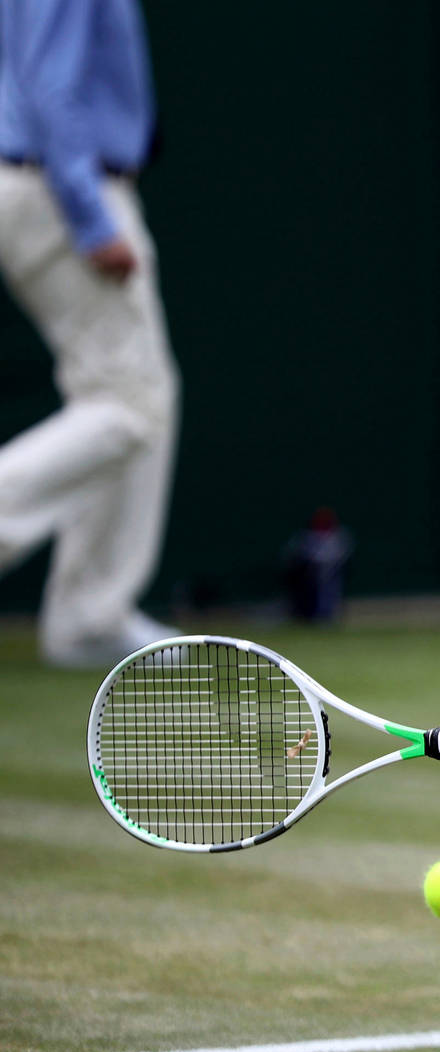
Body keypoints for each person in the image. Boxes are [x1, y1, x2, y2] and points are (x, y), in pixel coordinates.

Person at [0, 0, 179, 668]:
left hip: (45, 182)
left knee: (133, 396)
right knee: (131, 406)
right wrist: (89, 213)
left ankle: (89, 617)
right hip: (63, 187)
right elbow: (50, 81)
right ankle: (89, 616)